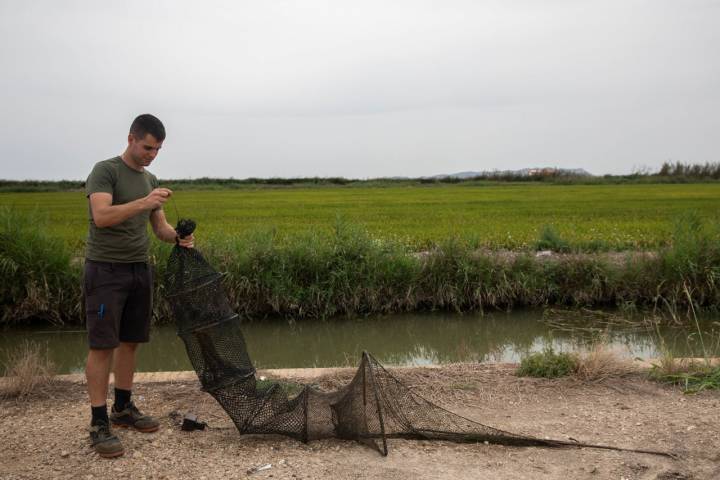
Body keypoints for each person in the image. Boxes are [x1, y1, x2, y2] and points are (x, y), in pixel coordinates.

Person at [83, 114, 194, 458]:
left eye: (157, 150)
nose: (151, 155)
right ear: (130, 138)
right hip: (105, 271)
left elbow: (159, 228)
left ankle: (123, 408)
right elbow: (102, 217)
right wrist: (145, 202)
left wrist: (178, 236)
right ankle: (99, 422)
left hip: (138, 270)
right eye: (147, 147)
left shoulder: (151, 179)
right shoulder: (106, 171)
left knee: (130, 342)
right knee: (103, 346)